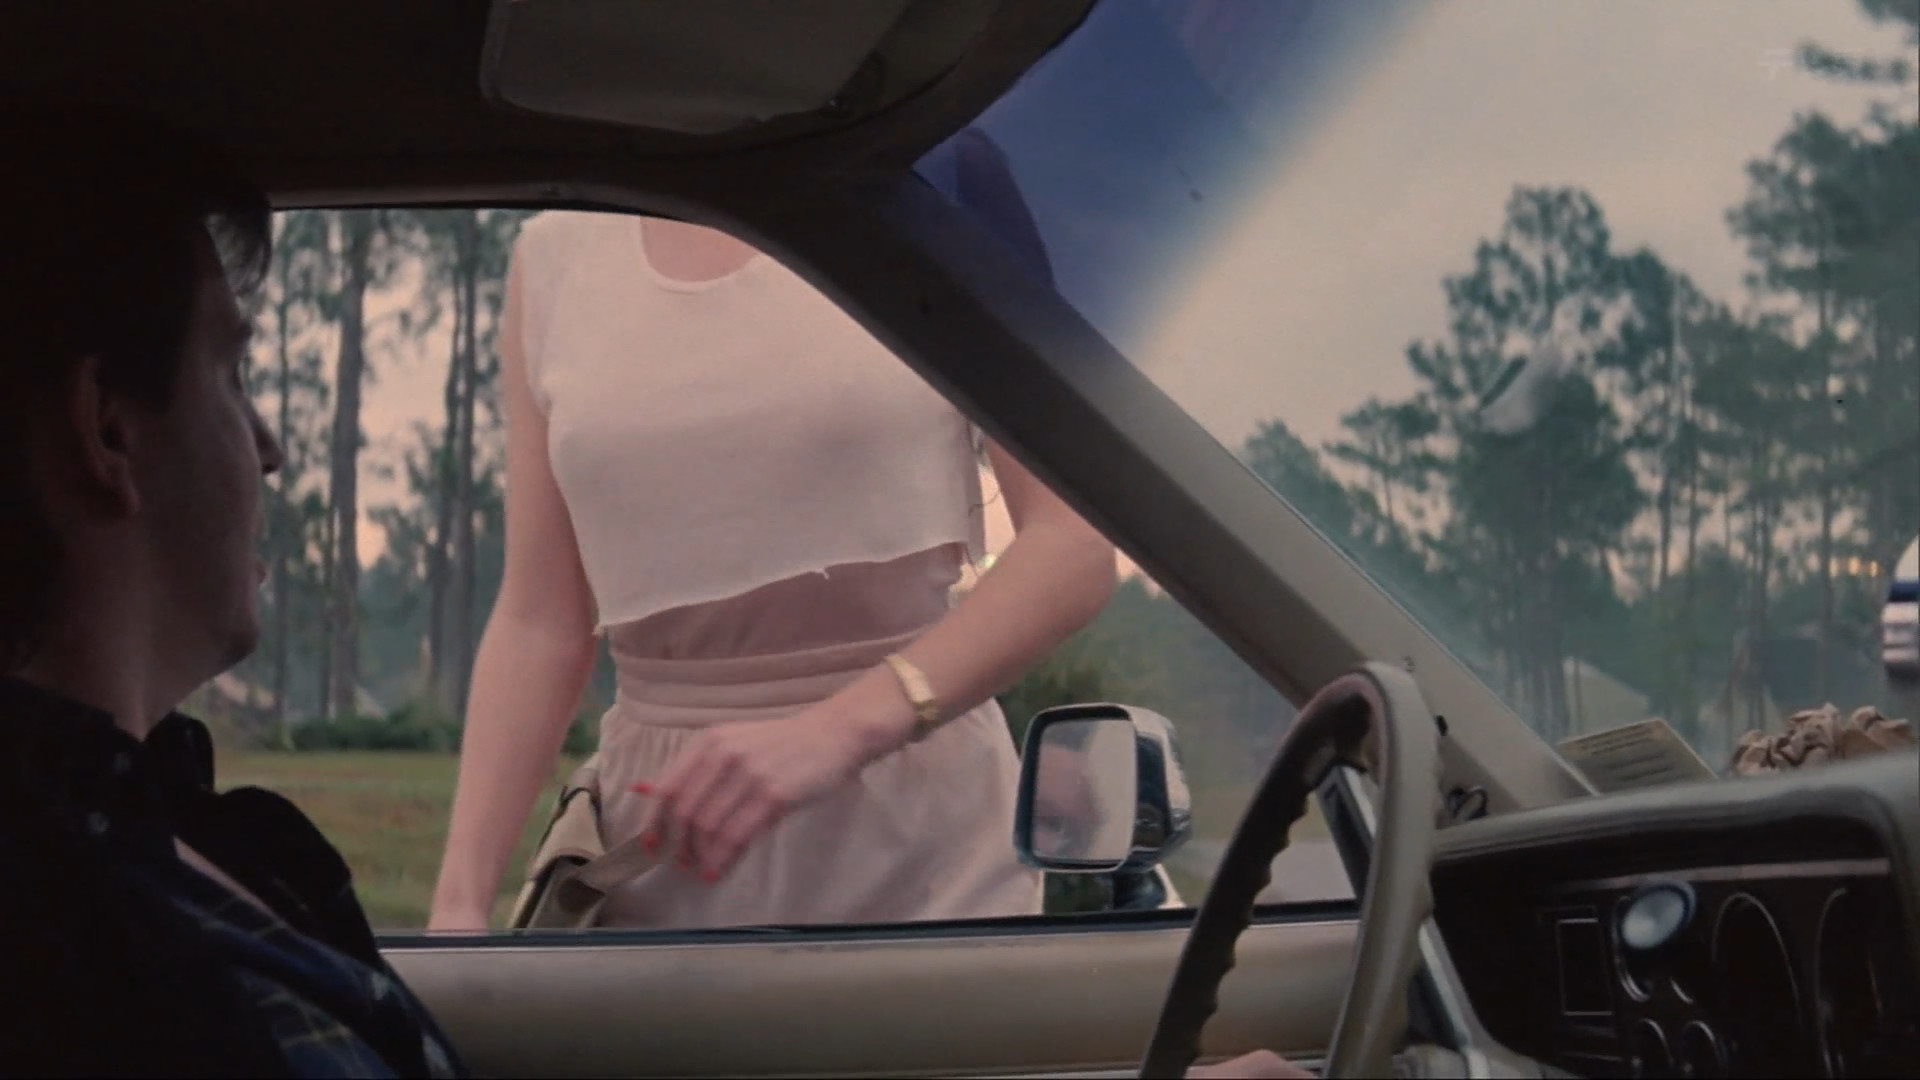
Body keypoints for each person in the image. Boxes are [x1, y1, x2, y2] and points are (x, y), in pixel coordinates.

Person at [427, 129, 1120, 931]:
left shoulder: (940, 188)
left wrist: (836, 732)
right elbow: (540, 619)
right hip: (667, 839)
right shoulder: (554, 256)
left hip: (920, 830)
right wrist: (459, 905)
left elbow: (1072, 546)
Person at [0, 105, 463, 1076]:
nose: (271, 448)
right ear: (108, 428)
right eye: (233, 373)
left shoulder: (192, 841)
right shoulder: (60, 951)